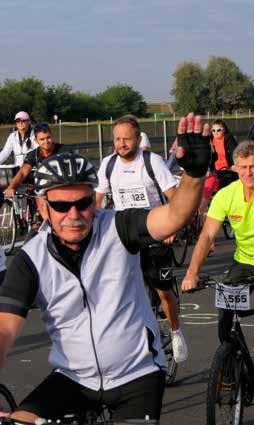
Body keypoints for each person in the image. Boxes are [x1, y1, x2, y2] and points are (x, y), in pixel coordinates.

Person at [0, 114, 211, 423]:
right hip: (73, 378)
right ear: (43, 206)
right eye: (60, 206)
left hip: (136, 375)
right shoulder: (31, 258)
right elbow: (5, 328)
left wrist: (193, 175)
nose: (74, 214)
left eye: (83, 203)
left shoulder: (119, 226)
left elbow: (174, 215)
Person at [181, 140, 254, 402]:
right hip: (243, 261)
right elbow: (206, 235)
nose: (248, 173)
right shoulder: (227, 194)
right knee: (225, 315)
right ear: (235, 168)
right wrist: (192, 273)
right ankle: (232, 366)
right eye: (243, 167)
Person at [94, 115, 188, 363]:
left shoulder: (152, 162)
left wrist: (172, 228)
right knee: (119, 291)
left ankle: (176, 332)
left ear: (137, 139)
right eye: (117, 139)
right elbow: (97, 202)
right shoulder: (108, 165)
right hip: (124, 236)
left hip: (155, 233)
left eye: (126, 138)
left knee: (164, 292)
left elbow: (175, 197)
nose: (121, 143)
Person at [5, 123, 65, 198]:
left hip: (62, 190)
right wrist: (11, 187)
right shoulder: (33, 155)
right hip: (43, 193)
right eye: (42, 139)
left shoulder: (63, 150)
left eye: (48, 137)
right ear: (36, 141)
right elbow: (23, 173)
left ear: (52, 136)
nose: (46, 141)